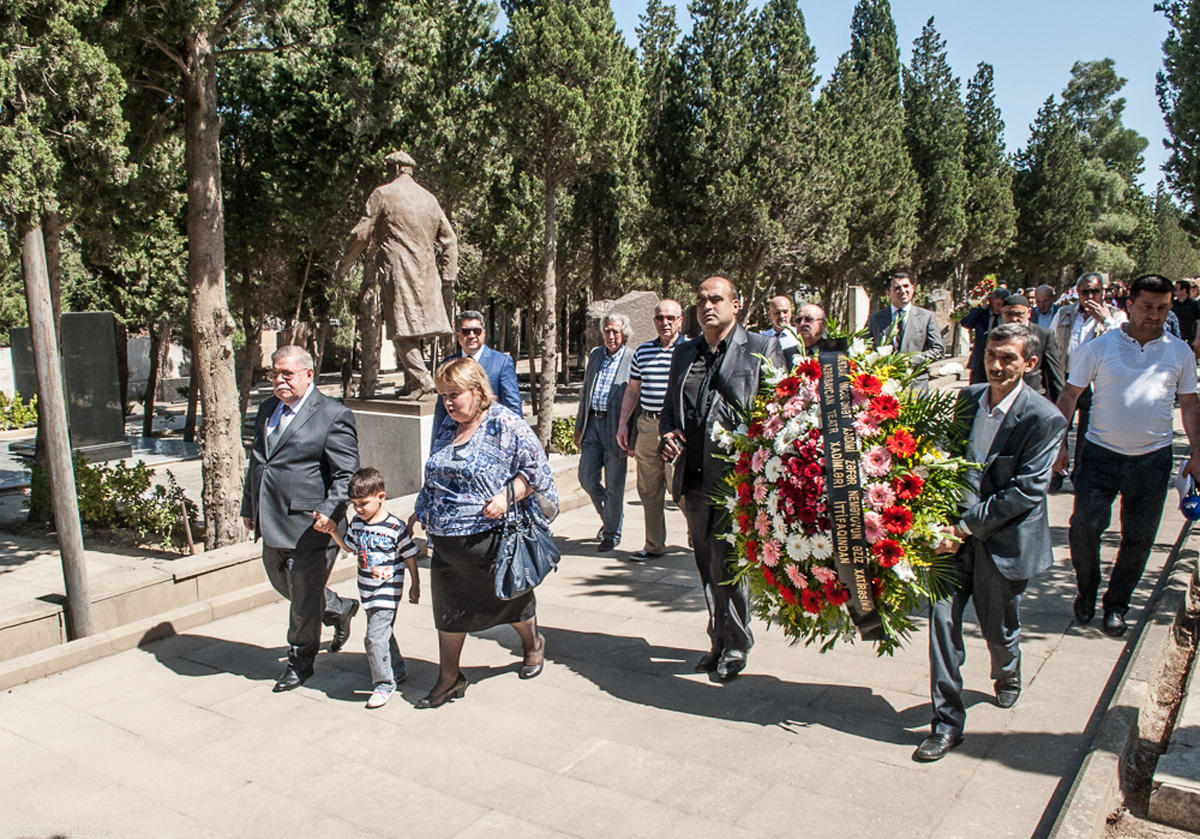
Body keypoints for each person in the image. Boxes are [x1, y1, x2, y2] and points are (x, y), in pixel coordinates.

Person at [915, 324, 1067, 762]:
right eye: (992, 356)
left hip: (1002, 543)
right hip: (951, 542)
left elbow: (1025, 492)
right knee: (942, 625)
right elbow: (943, 460)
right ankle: (946, 723)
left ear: (1030, 364)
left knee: (996, 626)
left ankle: (1008, 669)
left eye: (1008, 359)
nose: (997, 365)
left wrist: (965, 527)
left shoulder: (1044, 418)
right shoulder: (965, 400)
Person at [1055, 274, 1200, 637]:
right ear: (1130, 304)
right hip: (1100, 456)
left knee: (1138, 538)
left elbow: (1190, 404)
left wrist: (1197, 452)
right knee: (1084, 528)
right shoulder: (1101, 348)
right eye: (1147, 306)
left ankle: (1117, 604)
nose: (1154, 315)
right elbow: (1070, 395)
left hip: (1152, 460)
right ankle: (1087, 590)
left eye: (1162, 308)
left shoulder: (1178, 352)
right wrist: (1059, 442)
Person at [409, 358, 559, 708]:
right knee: (448, 611)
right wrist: (418, 510)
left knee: (511, 602)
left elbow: (535, 471)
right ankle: (449, 677)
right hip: (447, 544)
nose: (447, 402)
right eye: (443, 395)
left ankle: (532, 643)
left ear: (477, 391)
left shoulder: (504, 423)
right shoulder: (447, 425)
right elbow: (436, 472)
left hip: (492, 540)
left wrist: (507, 496)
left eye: (454, 394)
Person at [660, 276, 784, 681]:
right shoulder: (684, 353)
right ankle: (718, 637)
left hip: (737, 481)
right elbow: (669, 410)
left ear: (736, 304)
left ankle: (735, 642)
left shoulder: (761, 349)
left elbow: (777, 414)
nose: (707, 306)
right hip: (692, 477)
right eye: (701, 300)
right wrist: (668, 435)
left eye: (716, 299)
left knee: (727, 563)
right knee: (704, 563)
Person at [241, 346, 360, 693]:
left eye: (286, 374)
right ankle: (338, 608)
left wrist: (330, 509)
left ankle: (299, 661)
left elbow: (346, 475)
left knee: (303, 602)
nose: (278, 380)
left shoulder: (333, 415)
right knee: (286, 585)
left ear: (309, 374)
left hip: (310, 525)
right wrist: (249, 507)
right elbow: (258, 462)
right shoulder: (267, 409)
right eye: (274, 374)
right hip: (271, 518)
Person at [335, 150, 458, 398]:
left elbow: (361, 233)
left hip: (399, 270)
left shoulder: (384, 193)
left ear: (396, 168)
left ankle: (423, 380)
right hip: (426, 271)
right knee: (414, 327)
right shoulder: (429, 199)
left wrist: (343, 264)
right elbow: (450, 239)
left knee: (401, 328)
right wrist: (448, 273)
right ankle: (413, 382)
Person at [316, 467, 420, 709]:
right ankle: (397, 668)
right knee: (383, 633)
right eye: (354, 504)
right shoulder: (357, 525)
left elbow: (410, 555)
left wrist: (415, 584)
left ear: (381, 497)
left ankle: (384, 684)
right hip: (367, 591)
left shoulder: (394, 527)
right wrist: (333, 531)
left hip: (387, 592)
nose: (359, 509)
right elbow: (349, 546)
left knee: (373, 638)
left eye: (363, 503)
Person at [616, 299, 685, 560]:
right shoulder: (643, 352)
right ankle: (654, 545)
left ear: (680, 320)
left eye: (670, 317)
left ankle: (697, 534)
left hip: (677, 429)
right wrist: (624, 424)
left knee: (678, 486)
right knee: (648, 488)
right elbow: (633, 390)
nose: (664, 323)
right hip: (647, 425)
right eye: (659, 318)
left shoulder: (689, 350)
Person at [1050, 272, 1127, 489]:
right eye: (1086, 292)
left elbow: (1123, 345)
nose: (1091, 296)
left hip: (1097, 383)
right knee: (1059, 427)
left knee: (1088, 433)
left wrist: (1105, 320)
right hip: (1068, 379)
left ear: (1103, 292)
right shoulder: (1065, 314)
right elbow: (1052, 343)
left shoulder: (1116, 317)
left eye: (1096, 291)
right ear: (1078, 293)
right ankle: (1055, 472)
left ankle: (1081, 475)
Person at [575, 313, 633, 552]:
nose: (610, 336)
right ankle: (611, 518)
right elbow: (586, 392)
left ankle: (611, 533)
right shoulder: (596, 355)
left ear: (624, 334)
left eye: (615, 332)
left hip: (615, 428)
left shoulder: (632, 358)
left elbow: (636, 398)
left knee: (614, 485)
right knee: (586, 478)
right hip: (592, 426)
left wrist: (632, 433)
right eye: (607, 331)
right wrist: (579, 426)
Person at [431, 310, 521, 448]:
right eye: (466, 331)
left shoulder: (501, 362)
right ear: (458, 334)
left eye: (477, 331)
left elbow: (513, 407)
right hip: (456, 440)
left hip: (491, 441)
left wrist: (513, 445)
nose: (472, 336)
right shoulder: (448, 364)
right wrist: (434, 445)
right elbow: (440, 410)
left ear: (483, 332)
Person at [867, 271, 945, 389]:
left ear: (913, 289)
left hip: (915, 384)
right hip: (885, 386)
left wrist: (911, 361)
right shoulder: (876, 319)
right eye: (897, 288)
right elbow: (865, 347)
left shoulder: (926, 317)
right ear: (889, 293)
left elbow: (938, 349)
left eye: (906, 286)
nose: (903, 291)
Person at [1000, 294, 1064, 402]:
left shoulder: (1043, 335)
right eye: (1008, 314)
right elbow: (980, 375)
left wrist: (1060, 408)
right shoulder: (992, 336)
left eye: (1018, 314)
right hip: (1002, 395)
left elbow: (1054, 375)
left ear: (1029, 313)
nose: (1014, 319)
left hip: (1032, 396)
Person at [960, 288, 1011, 384]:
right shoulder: (981, 314)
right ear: (991, 301)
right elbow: (965, 323)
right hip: (980, 359)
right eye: (997, 304)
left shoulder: (1008, 316)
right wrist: (982, 308)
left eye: (1003, 305)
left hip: (1000, 360)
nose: (1000, 308)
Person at [1173, 279, 1200, 348]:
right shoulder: (1173, 304)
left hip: (1191, 338)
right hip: (1176, 337)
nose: (1174, 290)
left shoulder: (1194, 304)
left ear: (1184, 290)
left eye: (1176, 289)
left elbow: (1198, 322)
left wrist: (1197, 339)